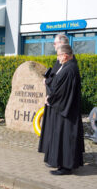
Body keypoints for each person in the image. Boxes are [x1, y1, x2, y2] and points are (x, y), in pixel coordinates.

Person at [43, 45, 84, 175]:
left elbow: (63, 92)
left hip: (67, 112)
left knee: (66, 138)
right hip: (66, 110)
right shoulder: (68, 67)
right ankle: (63, 165)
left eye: (59, 55)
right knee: (63, 138)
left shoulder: (69, 69)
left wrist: (50, 99)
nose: (58, 58)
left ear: (65, 56)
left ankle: (66, 167)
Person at [38, 34, 69, 155]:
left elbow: (60, 80)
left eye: (55, 43)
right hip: (52, 100)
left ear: (62, 44)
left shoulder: (66, 61)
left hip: (58, 102)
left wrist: (47, 81)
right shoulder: (59, 60)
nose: (54, 45)